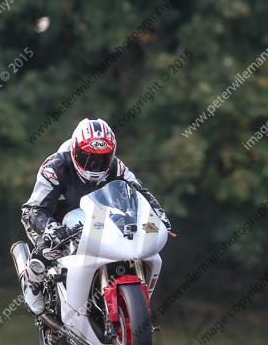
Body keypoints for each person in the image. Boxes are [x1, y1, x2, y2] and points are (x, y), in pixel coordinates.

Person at [19, 118, 170, 315]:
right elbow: (35, 209)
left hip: (96, 218)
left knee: (130, 239)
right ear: (75, 151)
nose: (95, 164)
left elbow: (141, 193)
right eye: (87, 157)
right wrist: (51, 229)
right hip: (52, 217)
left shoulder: (117, 167)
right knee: (51, 249)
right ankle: (32, 281)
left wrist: (159, 217)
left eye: (102, 158)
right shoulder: (55, 167)